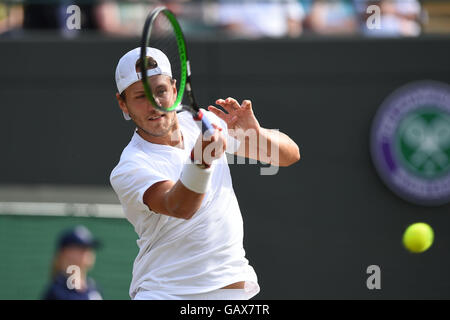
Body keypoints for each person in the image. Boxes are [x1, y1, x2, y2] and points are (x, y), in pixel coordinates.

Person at [110, 47, 300, 300]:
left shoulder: (202, 122)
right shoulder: (130, 166)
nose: (154, 104)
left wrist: (257, 134)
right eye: (140, 97)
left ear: (175, 89)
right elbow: (180, 206)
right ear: (123, 103)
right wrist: (201, 160)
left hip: (231, 290)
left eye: (160, 91)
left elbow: (288, 155)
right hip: (165, 294)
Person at [42, 225, 103, 300]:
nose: (88, 252)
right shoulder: (57, 292)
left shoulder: (93, 287)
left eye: (90, 248)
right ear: (65, 253)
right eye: (82, 248)